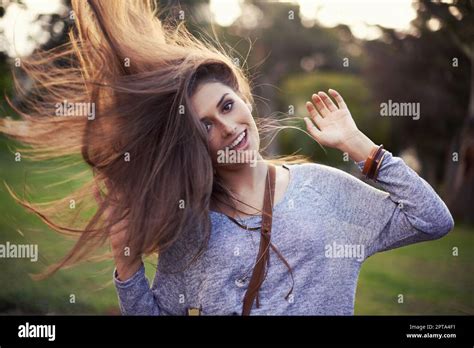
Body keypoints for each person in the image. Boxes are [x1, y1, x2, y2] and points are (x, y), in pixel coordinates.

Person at [0, 0, 454, 315]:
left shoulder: (326, 189)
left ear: (245, 99)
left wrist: (360, 147)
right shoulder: (191, 227)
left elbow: (432, 220)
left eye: (227, 106)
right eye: (205, 126)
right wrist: (127, 266)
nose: (228, 128)